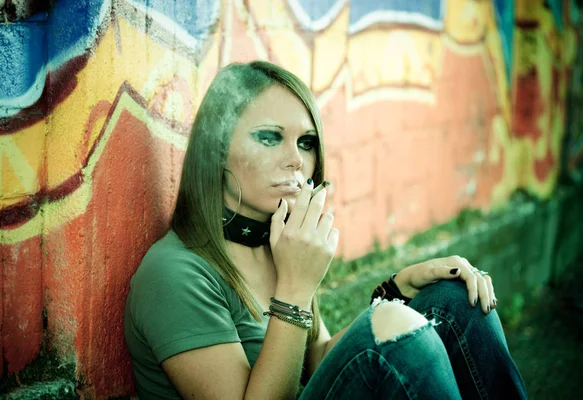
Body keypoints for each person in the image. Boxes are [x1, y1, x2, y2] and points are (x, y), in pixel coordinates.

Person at [124, 61, 528, 399]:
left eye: (306, 143)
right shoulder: (174, 275)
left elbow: (315, 359)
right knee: (396, 331)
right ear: (216, 148)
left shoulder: (278, 240)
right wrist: (296, 287)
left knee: (454, 300)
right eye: (269, 137)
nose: (296, 160)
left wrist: (396, 292)